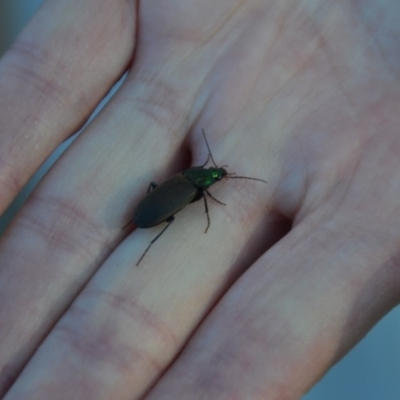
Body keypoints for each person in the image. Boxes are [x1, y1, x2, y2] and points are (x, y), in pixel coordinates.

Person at [0, 1, 399, 398]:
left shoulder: (191, 179)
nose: (219, 176)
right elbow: (201, 197)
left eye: (218, 176)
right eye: (217, 176)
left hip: (155, 204)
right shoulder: (197, 188)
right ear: (207, 179)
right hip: (154, 209)